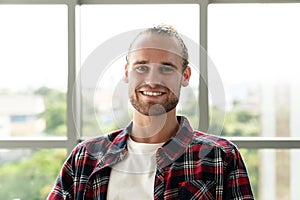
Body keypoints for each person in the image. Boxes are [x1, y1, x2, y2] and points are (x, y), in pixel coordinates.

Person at [48, 25, 254, 200]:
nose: (152, 80)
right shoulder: (85, 158)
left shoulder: (221, 157)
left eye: (166, 68)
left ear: (185, 76)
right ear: (127, 73)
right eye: (141, 67)